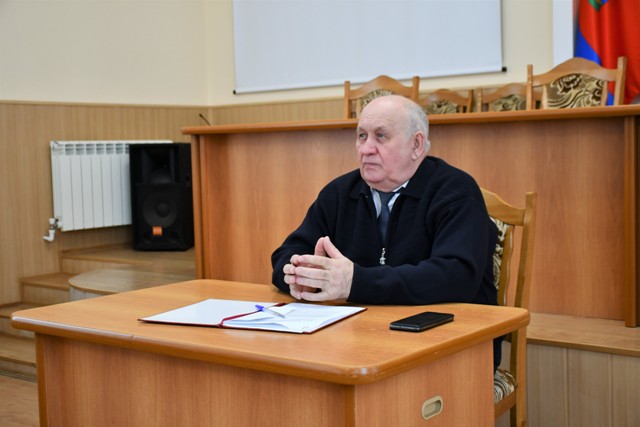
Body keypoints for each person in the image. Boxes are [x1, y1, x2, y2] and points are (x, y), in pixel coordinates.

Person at [271, 95, 500, 368]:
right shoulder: (339, 193)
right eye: (361, 136)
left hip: (451, 348)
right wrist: (301, 276)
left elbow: (456, 276)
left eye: (380, 136)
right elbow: (287, 254)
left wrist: (355, 282)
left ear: (416, 145)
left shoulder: (455, 190)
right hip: (361, 342)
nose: (366, 149)